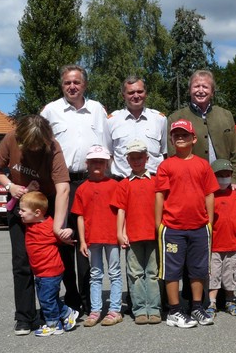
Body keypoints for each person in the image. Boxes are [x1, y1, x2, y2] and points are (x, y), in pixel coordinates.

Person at [0, 115, 70, 336]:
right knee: (22, 261)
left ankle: (53, 312)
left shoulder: (53, 146)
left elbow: (63, 188)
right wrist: (10, 186)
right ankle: (24, 317)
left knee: (51, 260)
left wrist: (58, 226)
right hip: (21, 207)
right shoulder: (11, 138)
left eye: (38, 145)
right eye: (30, 145)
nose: (34, 148)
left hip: (46, 205)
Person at [41, 64, 109, 315]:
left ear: (85, 85)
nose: (72, 86)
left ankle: (89, 299)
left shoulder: (97, 110)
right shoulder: (51, 110)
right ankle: (71, 297)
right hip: (61, 183)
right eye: (68, 83)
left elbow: (107, 145)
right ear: (62, 85)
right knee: (65, 240)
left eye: (77, 82)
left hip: (91, 182)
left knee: (88, 242)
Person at [155, 119, 219, 328]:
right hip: (172, 228)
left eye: (184, 134)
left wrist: (208, 222)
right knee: (171, 271)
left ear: (194, 138)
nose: (180, 138)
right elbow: (160, 196)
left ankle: (197, 307)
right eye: (176, 135)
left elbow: (209, 194)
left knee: (199, 269)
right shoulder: (166, 165)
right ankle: (174, 311)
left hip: (200, 227)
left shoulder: (202, 165)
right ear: (171, 140)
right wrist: (159, 224)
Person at [167, 70, 236, 192]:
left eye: (205, 87)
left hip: (225, 185)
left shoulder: (226, 115)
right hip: (192, 186)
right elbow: (172, 157)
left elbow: (235, 153)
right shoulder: (175, 118)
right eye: (196, 86)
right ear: (189, 90)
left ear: (212, 92)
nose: (201, 90)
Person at [111, 140, 161, 325]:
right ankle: (140, 309)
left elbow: (162, 207)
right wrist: (120, 232)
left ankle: (154, 308)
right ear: (128, 160)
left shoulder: (156, 181)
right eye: (133, 158)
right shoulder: (124, 184)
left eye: (140, 157)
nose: (137, 161)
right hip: (133, 235)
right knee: (135, 274)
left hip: (153, 234)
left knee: (153, 273)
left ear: (147, 158)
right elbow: (121, 210)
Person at [72, 145, 122, 327]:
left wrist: (121, 233)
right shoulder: (82, 188)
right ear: (87, 163)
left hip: (112, 237)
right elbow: (79, 216)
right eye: (94, 161)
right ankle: (95, 311)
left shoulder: (115, 185)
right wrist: (83, 240)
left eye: (101, 161)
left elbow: (122, 212)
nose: (97, 164)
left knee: (115, 273)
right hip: (92, 238)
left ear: (107, 164)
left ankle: (115, 310)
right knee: (95, 274)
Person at [20, 191, 78, 336]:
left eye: (23, 210)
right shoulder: (30, 224)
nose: (19, 213)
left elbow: (63, 234)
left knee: (46, 298)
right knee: (48, 298)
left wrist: (69, 231)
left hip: (51, 271)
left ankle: (54, 325)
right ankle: (67, 313)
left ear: (37, 212)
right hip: (40, 272)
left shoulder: (50, 226)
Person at [206, 159, 236, 318]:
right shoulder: (210, 196)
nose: (224, 178)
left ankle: (230, 301)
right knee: (214, 276)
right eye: (220, 175)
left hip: (232, 245)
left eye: (227, 175)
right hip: (214, 246)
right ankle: (212, 303)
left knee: (231, 275)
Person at [107, 76, 167, 178]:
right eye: (131, 93)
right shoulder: (111, 120)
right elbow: (108, 154)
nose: (136, 96)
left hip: (153, 181)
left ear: (146, 93)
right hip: (122, 182)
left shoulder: (160, 119)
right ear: (123, 96)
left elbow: (165, 153)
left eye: (140, 91)